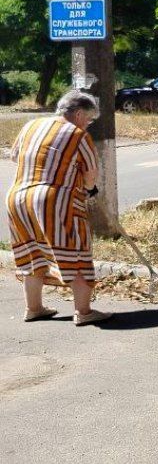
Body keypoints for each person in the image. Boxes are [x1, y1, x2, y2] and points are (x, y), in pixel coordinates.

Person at [5, 91, 112, 326]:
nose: (88, 125)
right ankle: (83, 312)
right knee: (76, 252)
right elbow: (90, 175)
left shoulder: (31, 126)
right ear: (78, 113)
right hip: (54, 200)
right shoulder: (78, 135)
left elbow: (15, 157)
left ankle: (34, 308)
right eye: (89, 119)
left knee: (33, 254)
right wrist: (89, 189)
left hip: (17, 199)